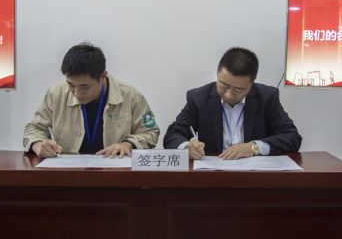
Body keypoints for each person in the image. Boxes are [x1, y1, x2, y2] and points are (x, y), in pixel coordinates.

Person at [24, 42, 159, 158]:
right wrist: (38, 144)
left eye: (84, 86)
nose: (77, 93)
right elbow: (33, 128)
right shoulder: (55, 95)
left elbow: (151, 132)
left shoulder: (131, 96)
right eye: (71, 85)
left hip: (115, 172)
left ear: (102, 77)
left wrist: (128, 144)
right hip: (68, 172)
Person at [164, 47, 302, 159]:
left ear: (251, 84)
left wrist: (253, 147)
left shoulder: (267, 98)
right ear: (217, 74)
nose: (229, 94)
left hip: (255, 176)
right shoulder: (199, 98)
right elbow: (172, 135)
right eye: (224, 85)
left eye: (238, 89)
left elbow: (292, 137)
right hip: (212, 175)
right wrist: (187, 147)